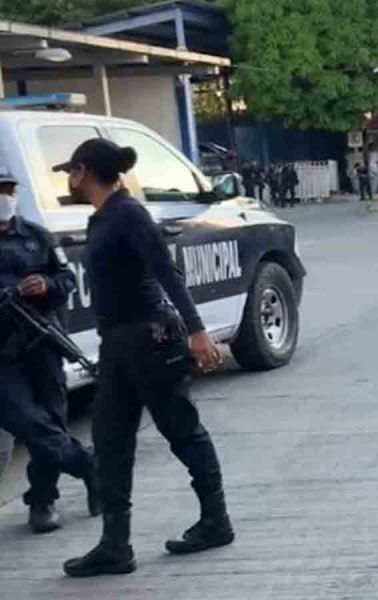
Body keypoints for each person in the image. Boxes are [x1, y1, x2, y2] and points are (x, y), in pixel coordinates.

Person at [53, 139, 235, 577]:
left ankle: (216, 522)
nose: (67, 180)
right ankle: (115, 545)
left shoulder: (128, 214)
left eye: (70, 172)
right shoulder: (102, 217)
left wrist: (197, 332)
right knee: (110, 439)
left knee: (181, 429)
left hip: (150, 338)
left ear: (82, 171)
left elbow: (165, 271)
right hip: (117, 342)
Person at [0, 169, 100, 534]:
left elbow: (66, 279)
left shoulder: (36, 237)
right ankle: (89, 465)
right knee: (27, 420)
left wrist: (45, 285)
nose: (4, 197)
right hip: (2, 353)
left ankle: (43, 499)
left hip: (42, 341)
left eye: (8, 190)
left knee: (51, 419)